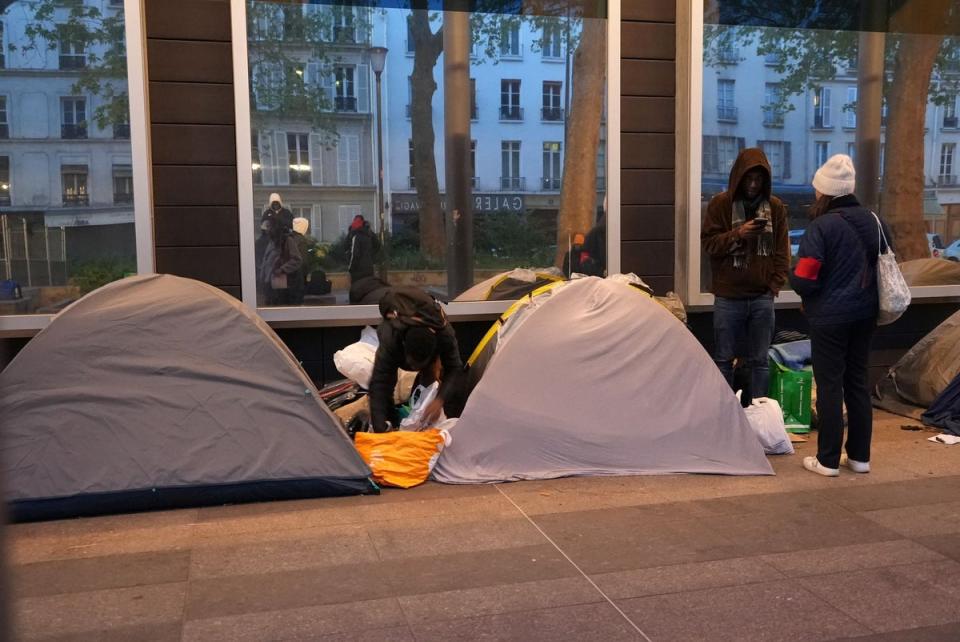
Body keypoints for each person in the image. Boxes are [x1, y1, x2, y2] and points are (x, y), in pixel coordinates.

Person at [791, 154, 890, 477]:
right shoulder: (875, 221)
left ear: (825, 192)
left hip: (830, 318)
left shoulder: (821, 227)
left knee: (830, 384)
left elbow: (806, 278)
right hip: (865, 314)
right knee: (857, 382)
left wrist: (798, 284)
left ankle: (828, 459)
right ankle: (860, 458)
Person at [702, 147, 790, 402]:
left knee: (760, 360)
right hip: (729, 296)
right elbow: (709, 244)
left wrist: (774, 284)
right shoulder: (721, 204)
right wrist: (738, 234)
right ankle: (724, 415)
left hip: (762, 295)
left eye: (758, 179)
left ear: (765, 181)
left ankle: (761, 415)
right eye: (749, 179)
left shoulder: (774, 207)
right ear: (739, 178)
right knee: (724, 359)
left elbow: (782, 250)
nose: (753, 185)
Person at [368, 286, 463, 432]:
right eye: (413, 364)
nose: (414, 368)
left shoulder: (444, 335)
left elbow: (455, 368)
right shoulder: (390, 336)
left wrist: (439, 400)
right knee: (384, 392)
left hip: (429, 350)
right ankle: (393, 422)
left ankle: (429, 421)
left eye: (419, 365)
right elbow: (380, 383)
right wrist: (380, 428)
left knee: (433, 391)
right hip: (399, 342)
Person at [259, 214, 302, 306]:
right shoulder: (271, 242)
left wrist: (282, 269)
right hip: (270, 284)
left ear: (275, 227)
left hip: (282, 286)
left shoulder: (287, 240)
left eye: (269, 227)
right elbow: (266, 262)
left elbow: (297, 260)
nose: (267, 230)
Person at [344, 215, 381, 285]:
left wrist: (351, 267)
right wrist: (370, 255)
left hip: (357, 268)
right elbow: (377, 245)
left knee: (356, 289)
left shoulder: (354, 233)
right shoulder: (369, 233)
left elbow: (352, 252)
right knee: (368, 289)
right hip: (369, 266)